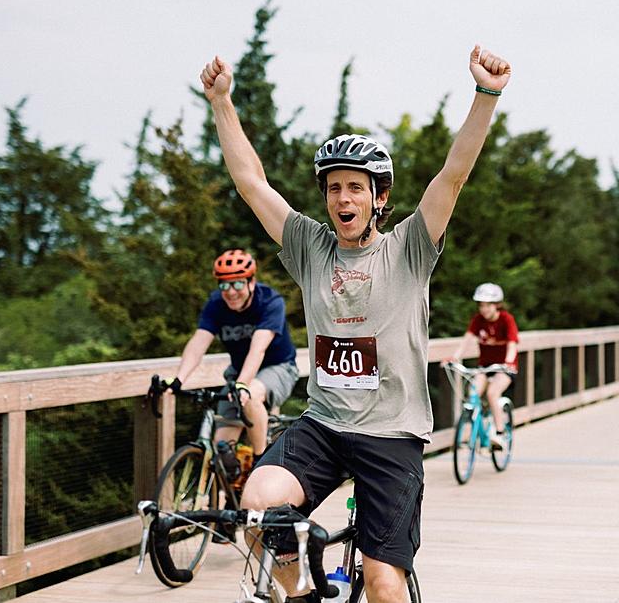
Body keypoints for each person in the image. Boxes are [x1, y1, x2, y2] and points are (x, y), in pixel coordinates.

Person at [200, 45, 511, 602]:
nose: (343, 197)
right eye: (334, 187)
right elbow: (252, 183)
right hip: (324, 425)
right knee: (260, 507)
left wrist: (486, 95)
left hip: (392, 436)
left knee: (381, 579)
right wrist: (222, 102)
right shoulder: (310, 247)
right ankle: (298, 597)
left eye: (355, 187)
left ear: (378, 197)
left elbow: (454, 174)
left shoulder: (410, 246)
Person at [165, 249, 298, 461]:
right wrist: (179, 380)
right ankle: (228, 487)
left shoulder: (270, 302)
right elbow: (199, 343)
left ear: (251, 282)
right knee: (222, 450)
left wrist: (243, 384)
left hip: (278, 367)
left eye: (237, 283)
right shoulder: (216, 304)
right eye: (224, 284)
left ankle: (260, 462)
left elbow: (258, 349)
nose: (231, 291)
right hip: (238, 373)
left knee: (251, 395)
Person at [447, 282, 519, 448]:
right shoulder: (478, 320)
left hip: (504, 368)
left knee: (493, 393)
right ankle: (472, 432)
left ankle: (499, 433)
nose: (484, 309)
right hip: (485, 367)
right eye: (481, 305)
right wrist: (455, 357)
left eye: (488, 305)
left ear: (497, 305)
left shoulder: (506, 319)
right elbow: (467, 339)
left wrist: (508, 362)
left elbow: (512, 343)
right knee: (472, 393)